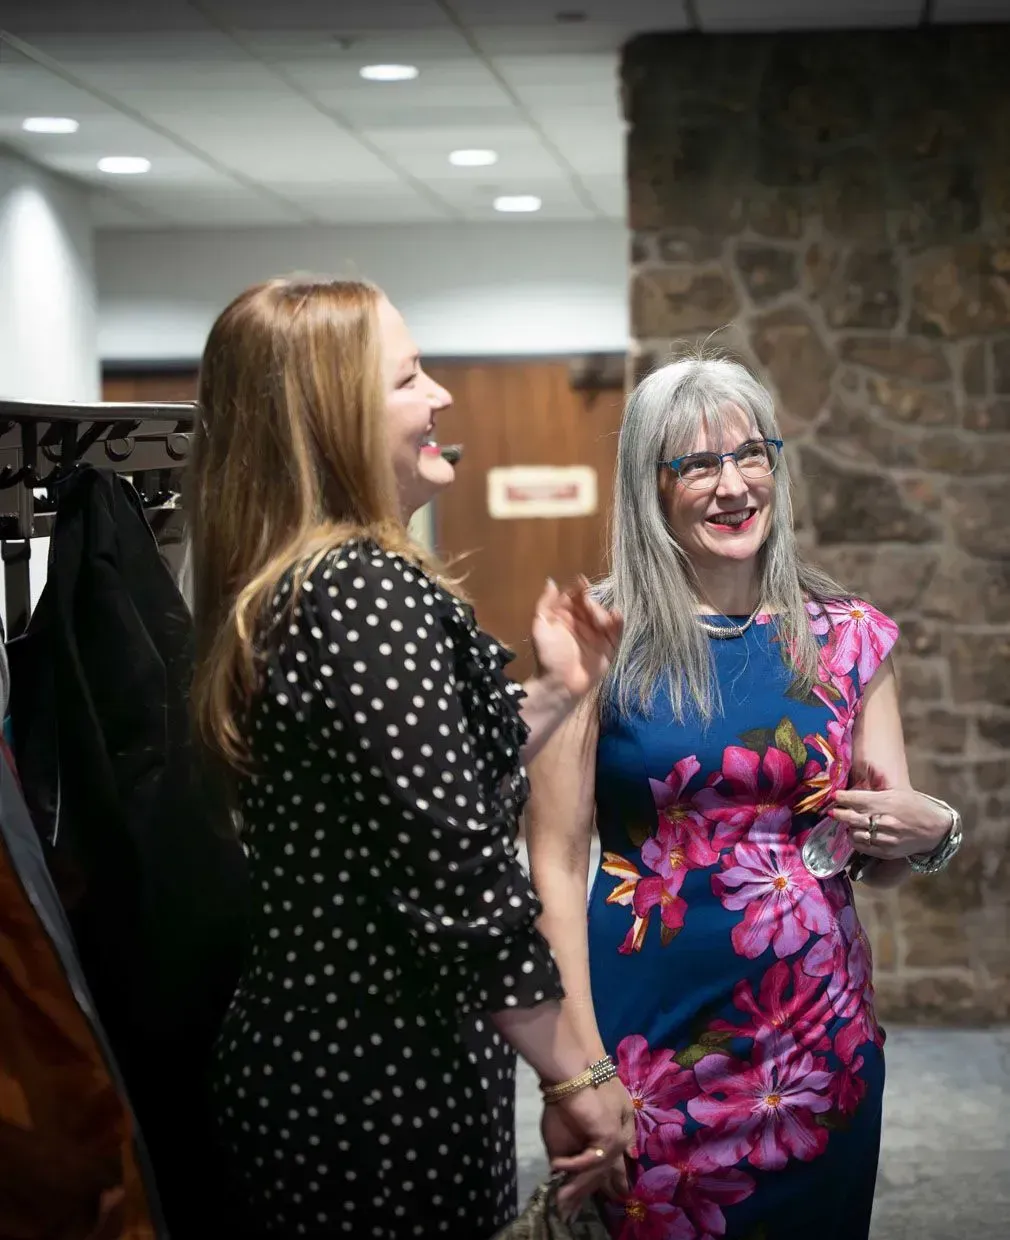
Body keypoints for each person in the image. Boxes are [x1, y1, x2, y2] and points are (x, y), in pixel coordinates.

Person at [184, 276, 633, 1239]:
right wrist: (578, 1074)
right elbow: (460, 870)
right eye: (409, 379)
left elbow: (409, 794)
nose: (440, 399)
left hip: (336, 1069)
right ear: (332, 418)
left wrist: (554, 692)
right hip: (370, 1084)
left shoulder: (310, 583)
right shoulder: (361, 592)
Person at [525, 354, 962, 1240]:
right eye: (697, 465)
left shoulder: (847, 640)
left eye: (750, 455)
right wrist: (573, 1070)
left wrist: (929, 833)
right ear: (651, 486)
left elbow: (878, 854)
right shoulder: (598, 639)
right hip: (646, 1035)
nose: (733, 486)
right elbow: (558, 861)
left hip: (816, 1039)